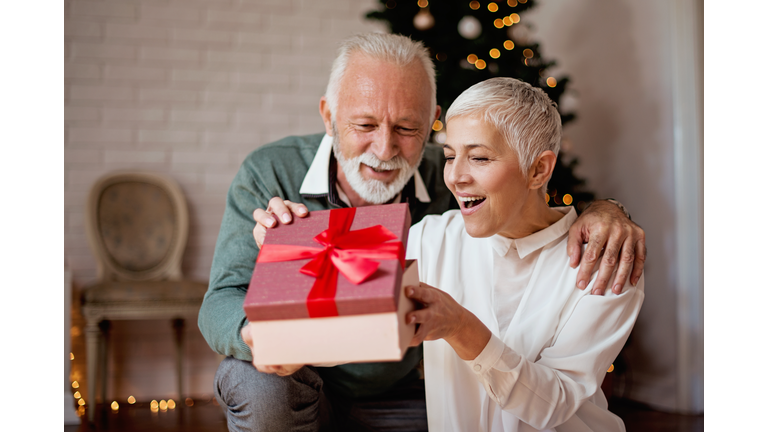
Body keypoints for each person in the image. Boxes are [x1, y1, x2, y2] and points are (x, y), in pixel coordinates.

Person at [198, 33, 645, 431]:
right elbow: (349, 281)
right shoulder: (432, 233)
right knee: (253, 380)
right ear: (328, 116)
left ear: (430, 122)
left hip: (406, 391)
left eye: (407, 128)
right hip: (307, 384)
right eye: (365, 125)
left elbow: (530, 201)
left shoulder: (452, 190)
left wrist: (608, 210)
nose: (385, 148)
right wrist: (291, 251)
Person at [404, 77, 644, 431]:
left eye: (479, 157)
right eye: (450, 156)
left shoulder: (604, 262)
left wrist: (460, 327)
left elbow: (555, 403)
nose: (454, 176)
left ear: (538, 170)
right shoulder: (430, 239)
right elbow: (348, 308)